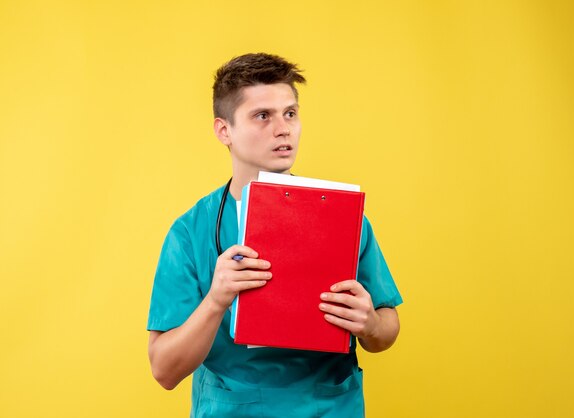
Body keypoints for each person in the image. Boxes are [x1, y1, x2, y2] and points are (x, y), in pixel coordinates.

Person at [147, 53, 403, 417]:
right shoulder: (190, 232)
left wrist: (371, 324)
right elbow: (164, 370)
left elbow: (385, 328)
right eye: (262, 116)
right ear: (224, 131)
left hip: (328, 406)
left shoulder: (342, 215)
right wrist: (217, 299)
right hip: (234, 408)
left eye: (290, 113)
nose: (283, 129)